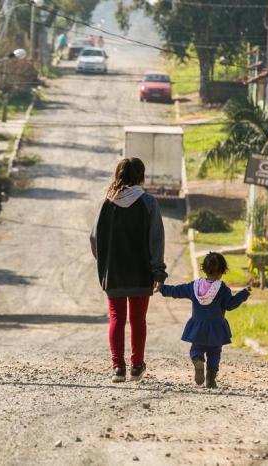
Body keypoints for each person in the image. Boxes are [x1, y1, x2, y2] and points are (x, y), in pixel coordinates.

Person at [90, 158, 167, 383]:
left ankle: (118, 368)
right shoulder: (148, 202)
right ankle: (136, 367)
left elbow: (94, 237)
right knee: (138, 320)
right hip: (141, 272)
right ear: (140, 176)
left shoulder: (107, 203)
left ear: (118, 175)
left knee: (116, 318)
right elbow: (156, 239)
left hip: (113, 272)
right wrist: (158, 270)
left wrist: (105, 262)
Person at [159, 252, 250, 388]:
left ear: (204, 269)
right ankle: (211, 379)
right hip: (216, 328)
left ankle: (198, 360)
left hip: (198, 327)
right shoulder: (223, 289)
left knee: (196, 348)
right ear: (222, 271)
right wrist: (243, 294)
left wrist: (162, 288)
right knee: (214, 352)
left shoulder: (194, 286)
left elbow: (177, 291)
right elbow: (230, 305)